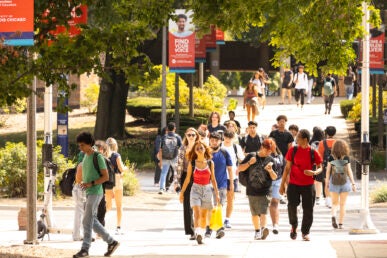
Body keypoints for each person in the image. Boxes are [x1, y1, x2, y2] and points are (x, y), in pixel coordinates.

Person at [73, 132, 119, 258]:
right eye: (79, 145)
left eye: (82, 145)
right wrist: (83, 183)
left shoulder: (97, 156)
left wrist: (91, 183)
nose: (80, 148)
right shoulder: (86, 157)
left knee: (86, 220)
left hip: (96, 192)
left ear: (89, 144)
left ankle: (85, 249)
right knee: (91, 220)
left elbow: (106, 177)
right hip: (89, 192)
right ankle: (111, 242)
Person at [279, 129, 323, 241]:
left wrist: (314, 173)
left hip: (308, 185)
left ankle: (305, 232)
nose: (296, 138)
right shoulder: (293, 150)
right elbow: (287, 168)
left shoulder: (313, 152)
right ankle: (294, 226)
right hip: (293, 184)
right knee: (291, 207)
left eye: (298, 137)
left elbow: (320, 167)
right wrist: (282, 184)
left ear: (305, 139)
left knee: (308, 209)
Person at [179, 141, 220, 245]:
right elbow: (187, 179)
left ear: (205, 149)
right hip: (195, 190)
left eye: (201, 148)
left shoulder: (210, 163)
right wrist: (182, 192)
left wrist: (217, 193)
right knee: (197, 213)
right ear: (195, 151)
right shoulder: (192, 163)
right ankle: (198, 233)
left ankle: (201, 233)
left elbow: (213, 179)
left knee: (203, 215)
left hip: (207, 189)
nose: (199, 150)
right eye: (197, 149)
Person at [237, 138, 278, 240]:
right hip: (252, 189)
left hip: (265, 190)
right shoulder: (251, 156)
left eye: (270, 151)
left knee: (264, 211)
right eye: (267, 149)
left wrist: (270, 170)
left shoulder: (271, 161)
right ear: (262, 147)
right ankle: (257, 231)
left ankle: (264, 229)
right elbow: (239, 169)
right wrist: (249, 163)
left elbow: (274, 177)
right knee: (255, 213)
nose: (268, 152)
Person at [268, 115, 294, 233]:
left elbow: (290, 148)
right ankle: (280, 194)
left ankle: (286, 194)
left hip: (284, 159)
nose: (282, 123)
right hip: (274, 158)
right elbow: (268, 143)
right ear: (277, 123)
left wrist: (289, 160)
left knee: (286, 177)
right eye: (280, 121)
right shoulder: (273, 134)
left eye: (284, 121)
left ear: (286, 122)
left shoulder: (289, 135)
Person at [206, 132, 233, 239]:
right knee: (210, 207)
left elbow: (230, 169)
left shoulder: (224, 152)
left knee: (218, 207)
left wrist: (231, 183)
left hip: (221, 184)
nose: (214, 142)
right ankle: (213, 228)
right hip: (207, 184)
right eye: (212, 140)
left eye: (216, 140)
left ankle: (215, 228)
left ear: (220, 141)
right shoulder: (205, 152)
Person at [325, 139, 356, 229]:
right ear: (344, 147)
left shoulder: (331, 157)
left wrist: (327, 182)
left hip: (334, 182)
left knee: (334, 203)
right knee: (342, 204)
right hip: (344, 182)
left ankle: (333, 216)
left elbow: (328, 171)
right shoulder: (346, 158)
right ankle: (341, 224)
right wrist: (353, 183)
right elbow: (349, 171)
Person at [177, 127, 200, 240]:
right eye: (189, 135)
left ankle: (199, 228)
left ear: (196, 136)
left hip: (198, 175)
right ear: (185, 136)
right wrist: (176, 181)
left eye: (193, 135)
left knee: (198, 203)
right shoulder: (182, 148)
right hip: (186, 176)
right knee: (187, 204)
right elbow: (179, 166)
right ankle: (191, 231)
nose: (191, 137)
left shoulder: (200, 147)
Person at [222, 130, 245, 228]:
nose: (227, 139)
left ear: (233, 138)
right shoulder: (219, 146)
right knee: (219, 199)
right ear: (223, 137)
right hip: (220, 176)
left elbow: (242, 160)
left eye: (230, 138)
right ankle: (217, 218)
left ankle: (227, 219)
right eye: (226, 137)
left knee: (230, 198)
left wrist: (239, 168)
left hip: (232, 177)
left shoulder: (236, 147)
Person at [105, 137, 128, 235]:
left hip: (107, 181)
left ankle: (101, 226)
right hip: (117, 180)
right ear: (115, 145)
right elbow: (121, 169)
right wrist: (126, 168)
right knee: (119, 205)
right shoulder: (116, 155)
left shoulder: (103, 156)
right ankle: (118, 228)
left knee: (107, 206)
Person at [157, 122, 182, 194]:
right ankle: (177, 189)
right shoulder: (177, 137)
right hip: (174, 157)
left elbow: (160, 149)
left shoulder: (164, 137)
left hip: (165, 158)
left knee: (163, 173)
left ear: (167, 129)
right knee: (177, 173)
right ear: (175, 128)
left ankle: (161, 188)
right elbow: (181, 148)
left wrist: (161, 161)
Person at [317, 126, 337, 208]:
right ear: (334, 133)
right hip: (337, 164)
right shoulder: (338, 142)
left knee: (327, 182)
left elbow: (319, 155)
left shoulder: (322, 143)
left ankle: (328, 200)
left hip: (325, 165)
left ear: (326, 133)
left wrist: (320, 166)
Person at [309, 127, 325, 205]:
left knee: (312, 181)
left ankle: (312, 195)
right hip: (320, 164)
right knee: (319, 181)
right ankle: (318, 198)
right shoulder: (323, 142)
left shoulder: (310, 142)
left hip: (311, 163)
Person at [72, 152, 86, 241]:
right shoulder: (82, 165)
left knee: (80, 213)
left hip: (78, 190)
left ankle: (78, 235)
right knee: (80, 214)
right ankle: (77, 235)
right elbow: (79, 179)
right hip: (81, 190)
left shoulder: (80, 164)